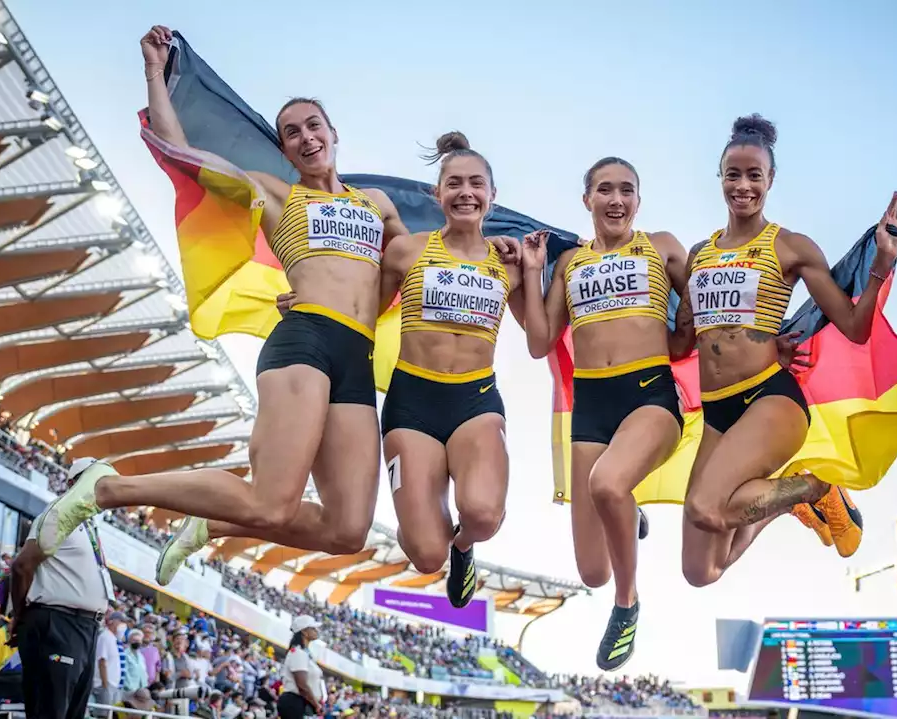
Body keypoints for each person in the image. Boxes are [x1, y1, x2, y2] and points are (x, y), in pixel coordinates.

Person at [38, 26, 518, 581]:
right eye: (291, 132)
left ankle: (209, 524)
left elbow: (432, 257)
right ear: (284, 147)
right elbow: (184, 154)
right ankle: (106, 488)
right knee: (271, 501)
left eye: (313, 125)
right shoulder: (275, 193)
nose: (305, 137)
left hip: (356, 362)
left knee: (347, 531)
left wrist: (498, 246)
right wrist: (154, 72)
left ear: (333, 132)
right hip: (305, 341)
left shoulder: (378, 204)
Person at [675, 115, 897, 587]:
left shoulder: (790, 246)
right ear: (719, 177)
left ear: (771, 180)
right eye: (733, 174)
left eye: (753, 175)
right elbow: (680, 342)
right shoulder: (699, 254)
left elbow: (854, 329)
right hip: (720, 412)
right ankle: (792, 503)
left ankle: (816, 486)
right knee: (701, 571)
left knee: (707, 507)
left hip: (770, 400)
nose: (742, 186)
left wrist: (882, 265)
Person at [519, 157, 690, 671]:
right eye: (605, 190)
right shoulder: (569, 263)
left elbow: (704, 307)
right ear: (587, 199)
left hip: (650, 395)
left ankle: (627, 604)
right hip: (591, 404)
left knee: (609, 484)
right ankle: (627, 516)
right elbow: (538, 341)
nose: (617, 199)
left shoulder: (661, 246)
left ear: (639, 199)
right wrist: (530, 272)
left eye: (627, 190)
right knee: (591, 569)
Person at [374, 131, 523, 607]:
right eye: (453, 183)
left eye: (476, 183)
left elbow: (540, 342)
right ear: (436, 194)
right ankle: (437, 538)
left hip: (474, 401)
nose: (465, 192)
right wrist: (310, 303)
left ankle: (466, 546)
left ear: (492, 195)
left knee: (481, 515)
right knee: (424, 555)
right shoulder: (406, 251)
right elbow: (362, 312)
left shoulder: (511, 262)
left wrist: (536, 269)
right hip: (411, 403)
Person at [10, 459, 116, 719]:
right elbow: (22, 566)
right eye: (93, 479)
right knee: (51, 712)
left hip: (86, 628)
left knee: (72, 713)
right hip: (58, 622)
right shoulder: (58, 513)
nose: (101, 487)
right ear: (71, 483)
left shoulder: (88, 523)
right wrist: (19, 615)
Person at [278, 615, 324, 719]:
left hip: (303, 703)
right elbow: (302, 685)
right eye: (313, 628)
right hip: (295, 703)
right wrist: (316, 704)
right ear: (304, 631)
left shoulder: (306, 654)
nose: (316, 631)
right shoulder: (297, 653)